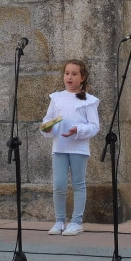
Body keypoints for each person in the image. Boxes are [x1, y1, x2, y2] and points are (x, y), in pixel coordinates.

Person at [41, 59, 101, 236]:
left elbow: (94, 126)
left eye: (74, 74)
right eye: (67, 73)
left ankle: (76, 222)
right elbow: (48, 119)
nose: (70, 77)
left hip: (78, 148)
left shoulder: (89, 101)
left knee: (78, 184)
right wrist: (48, 127)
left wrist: (78, 130)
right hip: (59, 147)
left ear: (82, 78)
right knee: (59, 185)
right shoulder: (56, 98)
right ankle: (60, 221)